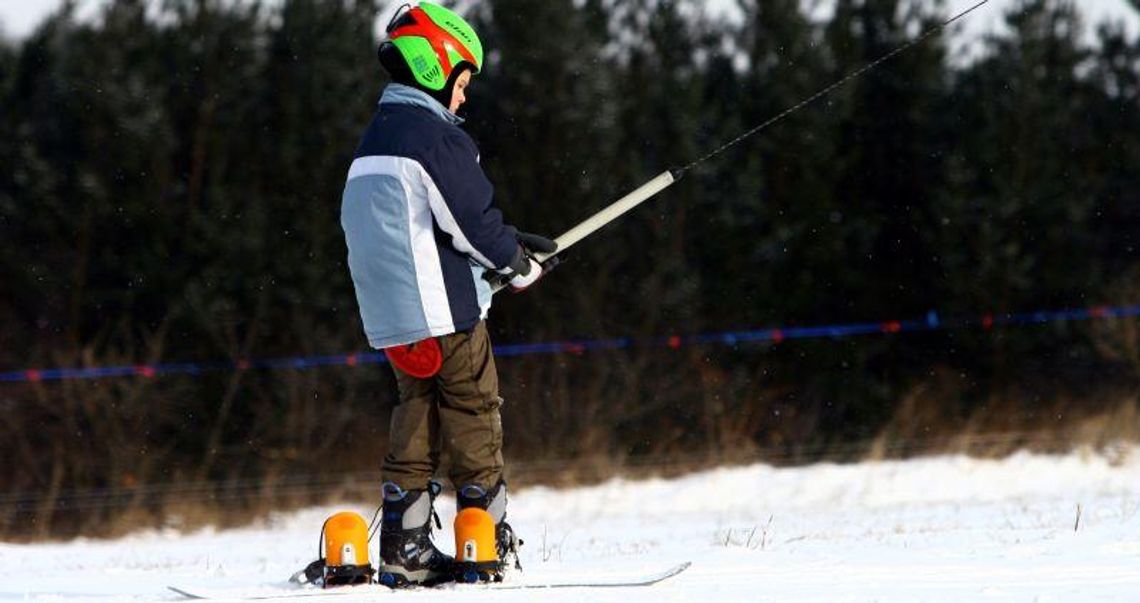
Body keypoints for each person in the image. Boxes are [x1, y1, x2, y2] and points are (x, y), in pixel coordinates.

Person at [339, 2, 556, 587]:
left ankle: (403, 547)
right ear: (438, 69)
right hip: (447, 317)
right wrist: (518, 265)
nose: (463, 99)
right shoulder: (435, 140)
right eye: (462, 84)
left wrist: (501, 252)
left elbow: (420, 232)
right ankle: (484, 538)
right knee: (473, 410)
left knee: (416, 414)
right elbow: (474, 225)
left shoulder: (372, 143)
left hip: (393, 322)